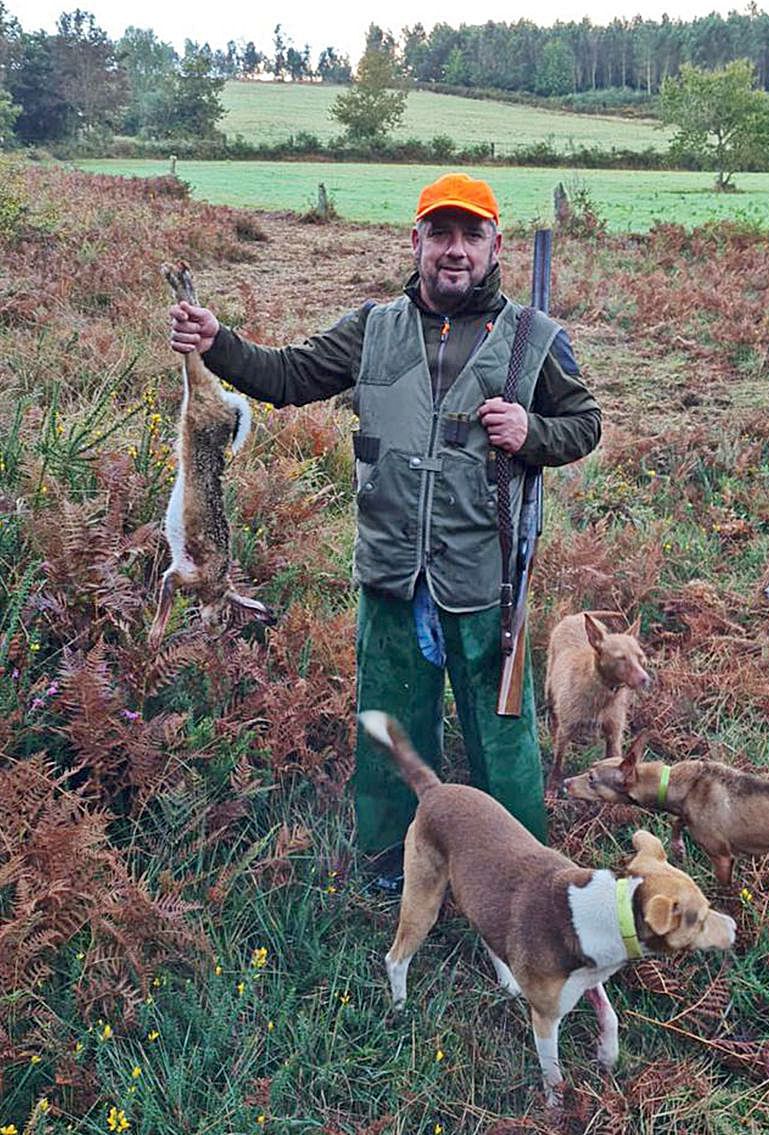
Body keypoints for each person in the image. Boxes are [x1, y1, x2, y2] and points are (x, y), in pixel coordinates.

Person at [170, 172, 601, 890]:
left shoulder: (536, 339)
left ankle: (525, 879)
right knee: (390, 730)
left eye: (471, 235)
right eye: (440, 233)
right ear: (417, 242)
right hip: (392, 574)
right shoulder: (372, 329)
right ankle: (388, 863)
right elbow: (284, 376)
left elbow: (586, 424)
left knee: (502, 739)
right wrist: (218, 343)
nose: (454, 249)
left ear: (496, 246)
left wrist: (533, 430)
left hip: (484, 578)